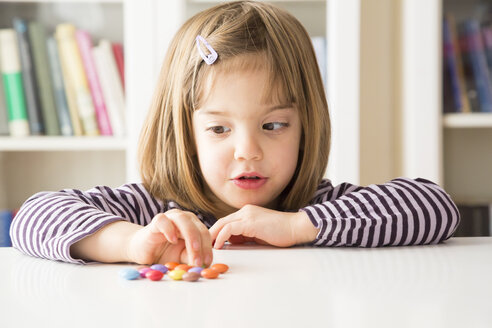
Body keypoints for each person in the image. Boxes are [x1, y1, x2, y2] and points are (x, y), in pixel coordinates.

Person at [10, 1, 460, 267]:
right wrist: (131, 241)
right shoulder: (155, 209)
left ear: (308, 126)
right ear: (185, 133)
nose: (248, 151)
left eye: (274, 125)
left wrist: (297, 226)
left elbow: (435, 206)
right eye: (219, 128)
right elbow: (32, 217)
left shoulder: (320, 207)